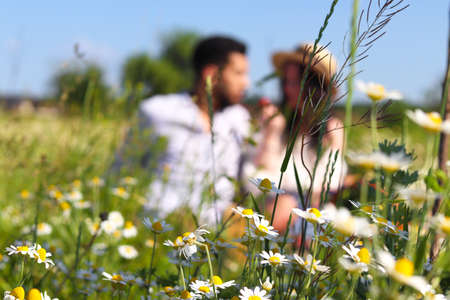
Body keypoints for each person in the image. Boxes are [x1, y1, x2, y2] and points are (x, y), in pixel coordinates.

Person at [114, 36, 250, 225]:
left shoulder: (240, 121)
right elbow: (121, 170)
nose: (246, 83)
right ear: (211, 74)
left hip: (218, 233)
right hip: (161, 227)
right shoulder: (158, 112)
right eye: (238, 74)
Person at [246, 43, 346, 232]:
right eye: (286, 82)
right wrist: (272, 133)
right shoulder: (279, 122)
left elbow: (327, 185)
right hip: (272, 205)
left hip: (312, 210)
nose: (288, 89)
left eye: (296, 82)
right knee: (279, 208)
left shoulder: (332, 129)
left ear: (314, 86)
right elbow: (259, 175)